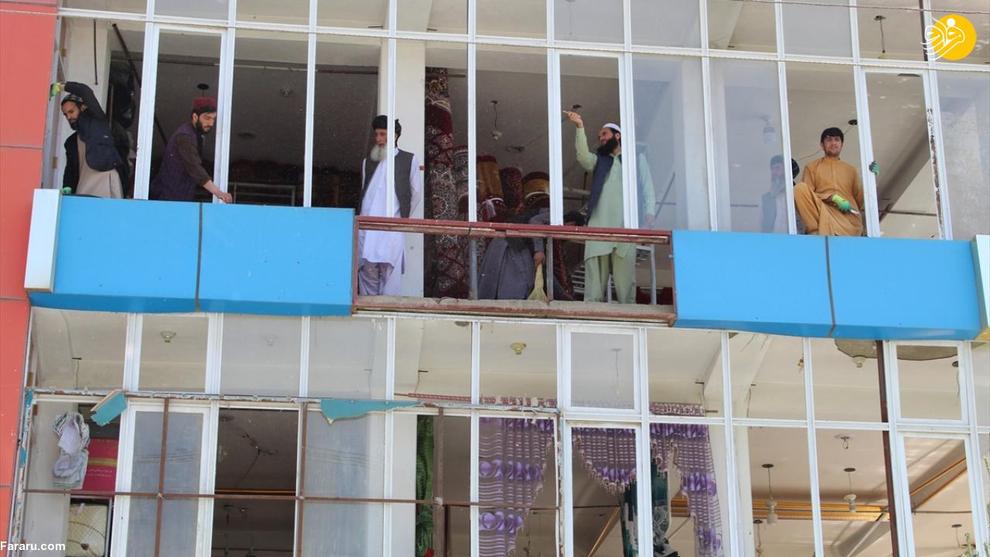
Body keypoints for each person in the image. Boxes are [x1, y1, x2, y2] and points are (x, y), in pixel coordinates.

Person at [564, 111, 655, 304]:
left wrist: (649, 214)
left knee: (625, 288)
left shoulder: (636, 159)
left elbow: (648, 188)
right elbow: (583, 157)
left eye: (604, 134)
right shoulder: (599, 160)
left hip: (625, 231)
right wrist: (580, 127)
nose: (601, 139)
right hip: (598, 229)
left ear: (617, 136)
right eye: (599, 137)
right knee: (594, 289)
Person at [357, 115, 422, 296]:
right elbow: (365, 192)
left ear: (394, 135)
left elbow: (415, 192)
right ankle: (369, 309)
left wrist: (401, 216)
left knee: (390, 270)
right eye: (376, 134)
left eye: (383, 134)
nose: (378, 139)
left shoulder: (409, 159)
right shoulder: (367, 162)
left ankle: (387, 310)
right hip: (368, 226)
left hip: (392, 224)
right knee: (367, 269)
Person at [149, 97, 232, 203]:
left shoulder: (194, 135)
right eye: (207, 118)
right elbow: (195, 168)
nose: (211, 123)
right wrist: (219, 193)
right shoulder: (185, 137)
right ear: (195, 117)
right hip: (168, 200)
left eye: (213, 119)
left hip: (177, 199)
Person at [793, 127, 865, 236]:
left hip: (848, 220)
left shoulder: (851, 170)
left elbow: (860, 200)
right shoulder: (812, 167)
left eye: (837, 139)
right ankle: (815, 232)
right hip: (823, 215)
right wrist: (831, 197)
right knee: (800, 189)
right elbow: (808, 196)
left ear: (842, 144)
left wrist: (872, 176)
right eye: (829, 140)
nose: (833, 143)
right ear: (822, 145)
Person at [60, 82, 125, 198]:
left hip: (106, 182)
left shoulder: (98, 121)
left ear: (83, 107)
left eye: (71, 112)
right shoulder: (70, 142)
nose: (69, 117)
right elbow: (70, 169)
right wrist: (67, 186)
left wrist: (62, 86)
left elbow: (85, 91)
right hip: (84, 186)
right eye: (65, 114)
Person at [761, 155, 801, 233]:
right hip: (772, 238)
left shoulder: (797, 194)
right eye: (772, 169)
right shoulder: (766, 198)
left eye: (778, 168)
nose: (774, 172)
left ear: (787, 171)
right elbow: (762, 223)